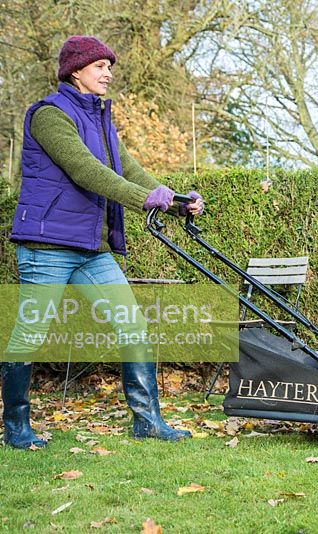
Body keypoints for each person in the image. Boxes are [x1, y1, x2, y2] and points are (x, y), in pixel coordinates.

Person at [1, 35, 203, 449]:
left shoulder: (101, 119)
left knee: (133, 327)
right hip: (47, 245)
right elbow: (85, 171)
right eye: (100, 67)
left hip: (90, 249)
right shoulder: (48, 115)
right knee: (30, 335)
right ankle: (16, 427)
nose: (108, 73)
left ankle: (147, 422)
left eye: (110, 67)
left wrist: (177, 202)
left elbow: (128, 168)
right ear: (75, 70)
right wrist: (143, 199)